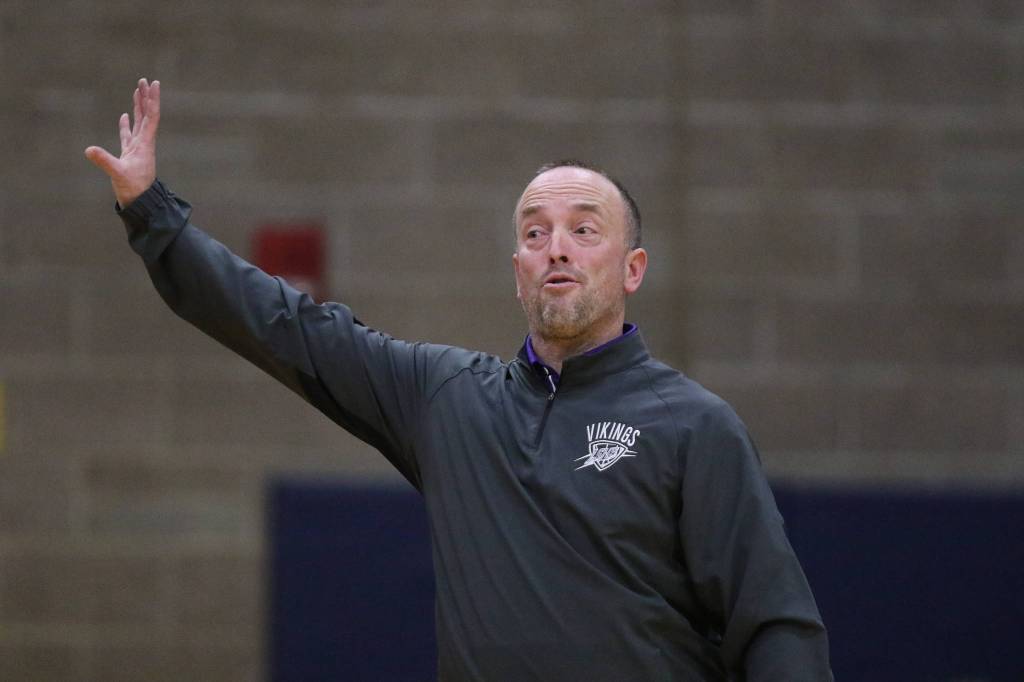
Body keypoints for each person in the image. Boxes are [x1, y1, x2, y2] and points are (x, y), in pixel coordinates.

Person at [86, 79, 832, 681]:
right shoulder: (448, 399)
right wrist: (155, 216)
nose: (557, 248)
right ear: (518, 274)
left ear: (631, 269)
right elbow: (288, 329)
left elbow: (774, 626)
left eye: (584, 229)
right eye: (535, 233)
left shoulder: (694, 425)